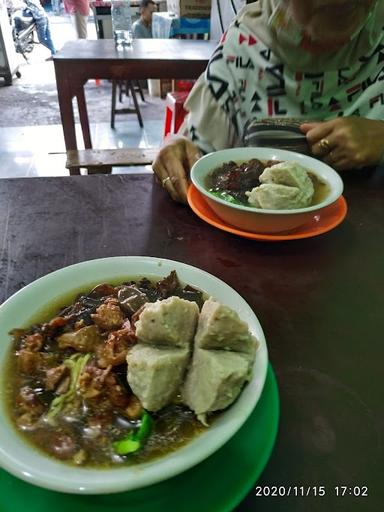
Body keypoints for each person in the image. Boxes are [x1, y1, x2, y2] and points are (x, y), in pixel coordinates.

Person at [153, 0, 384, 203]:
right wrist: (175, 147)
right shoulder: (245, 42)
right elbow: (196, 156)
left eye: (354, 5)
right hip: (251, 239)